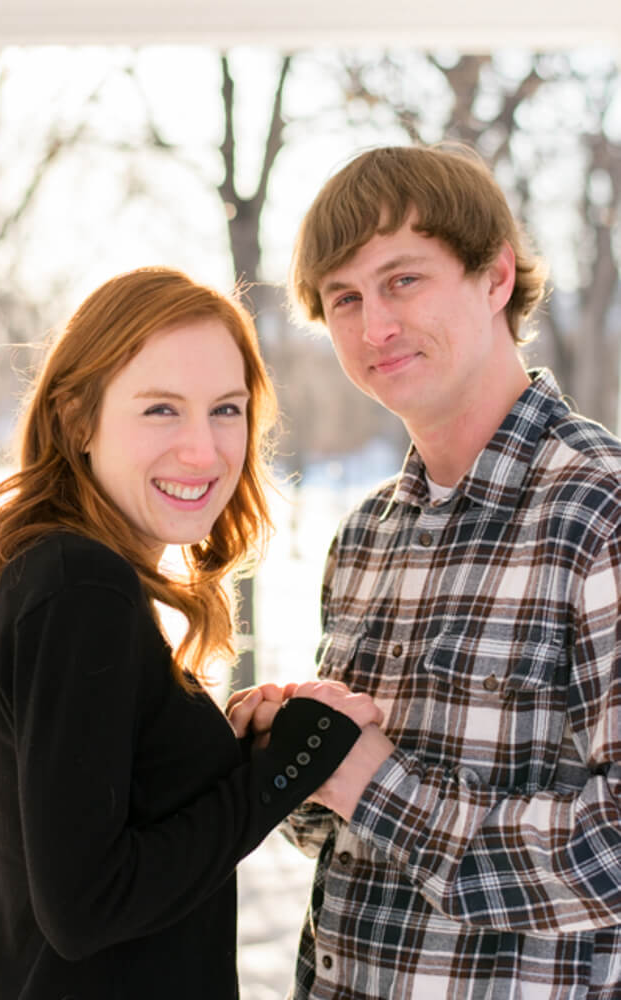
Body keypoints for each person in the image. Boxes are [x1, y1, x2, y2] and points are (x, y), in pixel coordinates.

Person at [230, 145, 621, 998]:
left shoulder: (600, 516)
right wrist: (298, 752)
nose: (374, 327)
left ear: (493, 280)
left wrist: (376, 781)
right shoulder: (366, 535)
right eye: (344, 299)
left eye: (402, 280)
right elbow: (343, 833)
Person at [0, 265, 383, 1000]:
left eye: (225, 409)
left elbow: (104, 837)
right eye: (160, 410)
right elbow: (87, 907)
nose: (203, 449)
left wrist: (236, 753)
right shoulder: (82, 586)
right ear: (75, 418)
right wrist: (293, 758)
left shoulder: (56, 572)